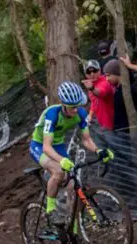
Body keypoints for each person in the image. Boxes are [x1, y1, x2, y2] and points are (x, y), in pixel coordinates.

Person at [29, 81, 114, 227]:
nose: (76, 109)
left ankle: (72, 225)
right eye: (72, 106)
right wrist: (61, 160)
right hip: (39, 146)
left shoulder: (80, 113)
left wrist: (98, 150)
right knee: (58, 171)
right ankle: (51, 209)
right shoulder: (52, 114)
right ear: (63, 104)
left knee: (73, 186)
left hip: (58, 146)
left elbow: (86, 140)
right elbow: (47, 147)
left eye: (78, 105)